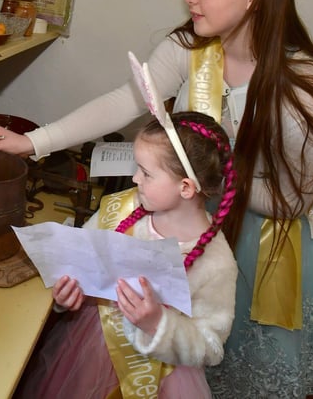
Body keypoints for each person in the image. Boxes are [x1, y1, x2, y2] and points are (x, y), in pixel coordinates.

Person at [0, 0, 313, 397]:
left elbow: (293, 200)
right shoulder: (193, 47)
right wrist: (33, 142)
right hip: (201, 209)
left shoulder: (304, 91)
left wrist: (200, 184)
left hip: (275, 232)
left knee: (235, 351)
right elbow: (126, 100)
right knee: (175, 349)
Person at [14, 111, 238, 398]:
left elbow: (211, 346)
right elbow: (83, 269)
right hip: (90, 349)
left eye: (146, 172)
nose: (135, 177)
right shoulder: (120, 208)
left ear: (185, 187)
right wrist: (69, 295)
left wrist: (158, 324)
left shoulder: (216, 262)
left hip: (161, 379)